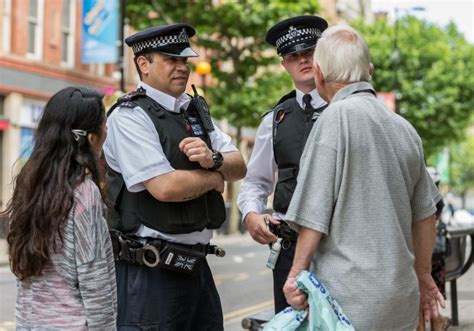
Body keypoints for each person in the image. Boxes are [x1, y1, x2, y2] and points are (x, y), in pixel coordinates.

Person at [282, 25, 445, 330]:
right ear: (368, 71)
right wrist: (423, 275)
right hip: (401, 298)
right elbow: (426, 214)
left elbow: (313, 216)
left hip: (348, 300)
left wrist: (294, 276)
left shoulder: (334, 119)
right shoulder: (403, 128)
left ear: (318, 73)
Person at [104, 23, 246, 330]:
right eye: (171, 60)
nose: (182, 67)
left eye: (184, 60)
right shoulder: (130, 116)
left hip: (197, 269)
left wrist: (214, 158)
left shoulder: (194, 112)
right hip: (151, 274)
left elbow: (239, 165)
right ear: (144, 64)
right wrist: (214, 178)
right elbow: (164, 187)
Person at [2, 87, 116, 329]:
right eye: (104, 124)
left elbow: (25, 277)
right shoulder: (85, 193)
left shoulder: (29, 184)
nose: (107, 131)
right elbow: (93, 279)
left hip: (31, 323)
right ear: (92, 138)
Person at [237, 15, 328, 314]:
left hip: (337, 250)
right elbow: (256, 181)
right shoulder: (274, 120)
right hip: (289, 249)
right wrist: (251, 214)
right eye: (293, 56)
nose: (302, 60)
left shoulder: (345, 108)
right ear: (284, 64)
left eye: (309, 52)